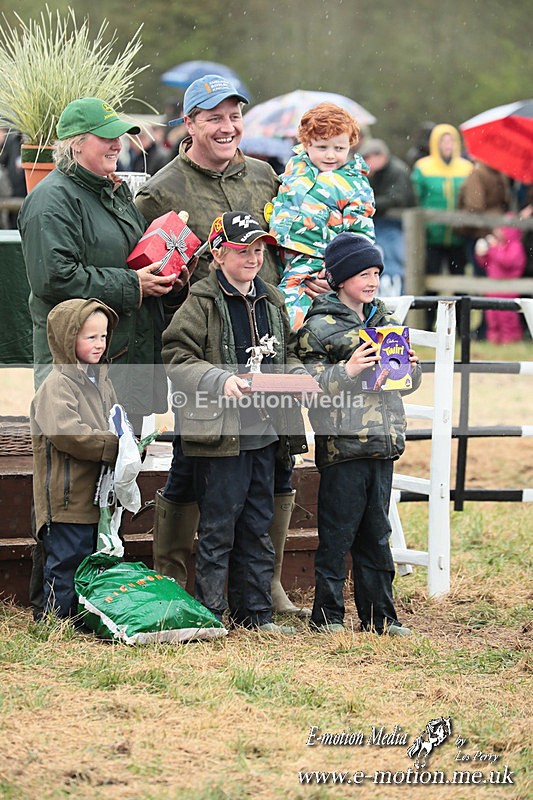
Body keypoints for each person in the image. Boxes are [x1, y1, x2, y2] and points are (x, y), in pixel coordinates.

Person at [135, 74, 310, 614]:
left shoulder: (265, 175)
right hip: (203, 353)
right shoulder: (162, 188)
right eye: (213, 117)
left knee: (276, 462)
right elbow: (149, 270)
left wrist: (309, 279)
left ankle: (267, 586)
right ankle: (176, 579)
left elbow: (288, 249)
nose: (227, 127)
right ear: (189, 124)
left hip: (268, 341)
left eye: (234, 116)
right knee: (193, 467)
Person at [18, 97, 188, 621]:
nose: (117, 145)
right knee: (69, 484)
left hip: (122, 358)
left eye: (119, 136)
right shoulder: (51, 201)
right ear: (74, 144)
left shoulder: (112, 193)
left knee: (113, 481)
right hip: (76, 362)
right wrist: (132, 285)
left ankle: (94, 595)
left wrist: (164, 268)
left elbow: (123, 256)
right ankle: (53, 604)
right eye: (105, 137)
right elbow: (54, 278)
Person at [161, 212, 307, 633]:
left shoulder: (274, 300)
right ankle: (212, 613)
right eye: (243, 250)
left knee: (258, 525)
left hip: (266, 435)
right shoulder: (201, 301)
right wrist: (216, 379)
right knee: (219, 526)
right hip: (221, 437)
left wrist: (296, 376)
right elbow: (176, 355)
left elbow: (289, 351)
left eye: (259, 250)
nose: (253, 257)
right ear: (219, 253)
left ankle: (255, 614)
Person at [296, 233, 422, 635]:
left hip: (382, 446)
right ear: (339, 278)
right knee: (337, 533)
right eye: (362, 273)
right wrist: (348, 371)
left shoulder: (384, 319)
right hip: (343, 447)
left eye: (376, 273)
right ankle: (327, 616)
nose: (371, 281)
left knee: (377, 534)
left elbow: (405, 382)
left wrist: (411, 369)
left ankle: (380, 618)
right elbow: (311, 387)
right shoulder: (318, 327)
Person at [30, 298, 119, 620]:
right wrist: (113, 446)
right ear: (68, 340)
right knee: (65, 560)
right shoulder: (57, 386)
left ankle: (77, 617)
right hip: (65, 498)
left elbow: (115, 420)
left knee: (84, 559)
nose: (99, 344)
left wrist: (131, 442)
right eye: (90, 337)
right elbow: (70, 434)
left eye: (104, 336)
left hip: (93, 495)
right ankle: (55, 621)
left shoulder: (101, 381)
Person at [268, 102, 376, 330]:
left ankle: (297, 355)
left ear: (350, 145)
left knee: (297, 319)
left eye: (339, 148)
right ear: (306, 144)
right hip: (278, 258)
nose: (330, 155)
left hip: (319, 263)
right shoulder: (295, 168)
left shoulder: (354, 184)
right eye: (322, 147)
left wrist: (336, 272)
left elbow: (360, 236)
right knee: (271, 310)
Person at [411, 124, 473, 278]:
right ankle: (429, 303)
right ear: (435, 143)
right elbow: (415, 198)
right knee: (430, 276)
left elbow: (471, 198)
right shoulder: (423, 167)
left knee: (459, 277)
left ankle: (460, 303)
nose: (447, 145)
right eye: (443, 141)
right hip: (432, 233)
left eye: (450, 141)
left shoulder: (466, 167)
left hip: (459, 233)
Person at [358, 138, 416, 296]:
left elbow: (398, 198)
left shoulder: (397, 171)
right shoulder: (373, 174)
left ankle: (399, 296)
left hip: (397, 225)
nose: (367, 162)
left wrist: (370, 204)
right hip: (380, 224)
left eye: (369, 157)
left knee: (395, 263)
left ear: (381, 156)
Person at [474, 223, 527, 343]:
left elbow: (507, 262)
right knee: (492, 317)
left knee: (507, 317)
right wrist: (481, 253)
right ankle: (494, 340)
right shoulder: (498, 245)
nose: (497, 232)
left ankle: (511, 340)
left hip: (508, 290)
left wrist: (493, 249)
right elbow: (485, 263)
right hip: (493, 288)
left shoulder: (515, 246)